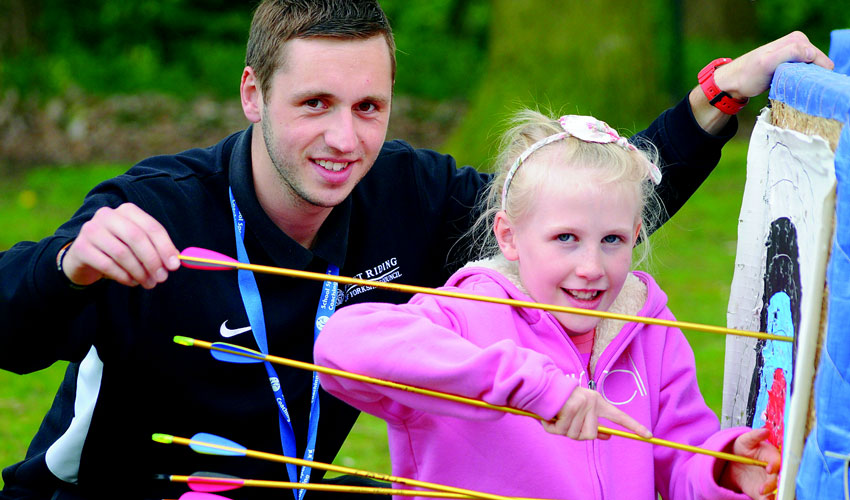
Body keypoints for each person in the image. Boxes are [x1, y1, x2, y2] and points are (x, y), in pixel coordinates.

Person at [0, 0, 831, 497]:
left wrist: (720, 94)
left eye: (369, 106)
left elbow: (583, 206)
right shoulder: (160, 207)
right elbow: (13, 330)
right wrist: (67, 264)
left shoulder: (411, 193)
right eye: (315, 103)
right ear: (253, 94)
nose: (343, 138)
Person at [314, 111, 781, 500]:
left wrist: (726, 471)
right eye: (566, 239)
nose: (591, 267)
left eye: (613, 240)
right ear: (509, 237)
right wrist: (530, 387)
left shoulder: (647, 327)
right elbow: (341, 345)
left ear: (637, 234)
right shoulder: (466, 313)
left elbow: (682, 460)